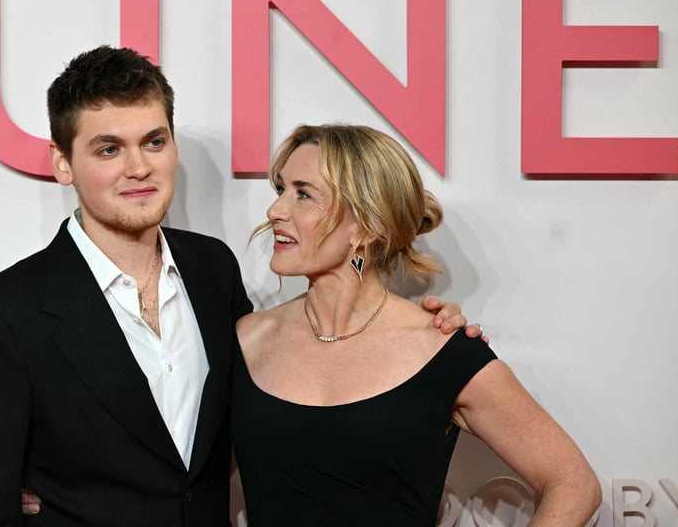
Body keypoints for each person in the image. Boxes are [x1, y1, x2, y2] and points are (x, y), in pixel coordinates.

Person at [0, 46, 475, 526]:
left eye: (154, 142)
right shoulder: (1, 316)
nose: (138, 168)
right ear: (63, 163)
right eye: (108, 150)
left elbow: (280, 393)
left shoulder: (213, 271)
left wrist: (416, 334)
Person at [231, 124, 601, 526]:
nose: (275, 211)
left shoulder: (441, 348)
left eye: (303, 194)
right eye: (280, 189)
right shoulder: (246, 340)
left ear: (365, 225)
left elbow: (574, 483)